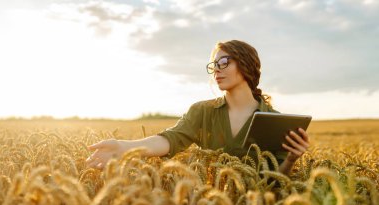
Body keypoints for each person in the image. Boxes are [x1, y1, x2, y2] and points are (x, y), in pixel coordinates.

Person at [86, 40, 309, 175]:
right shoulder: (202, 111)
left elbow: (276, 180)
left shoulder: (275, 120)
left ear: (247, 65)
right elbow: (170, 139)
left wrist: (290, 160)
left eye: (224, 63)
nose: (217, 70)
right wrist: (124, 147)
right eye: (214, 65)